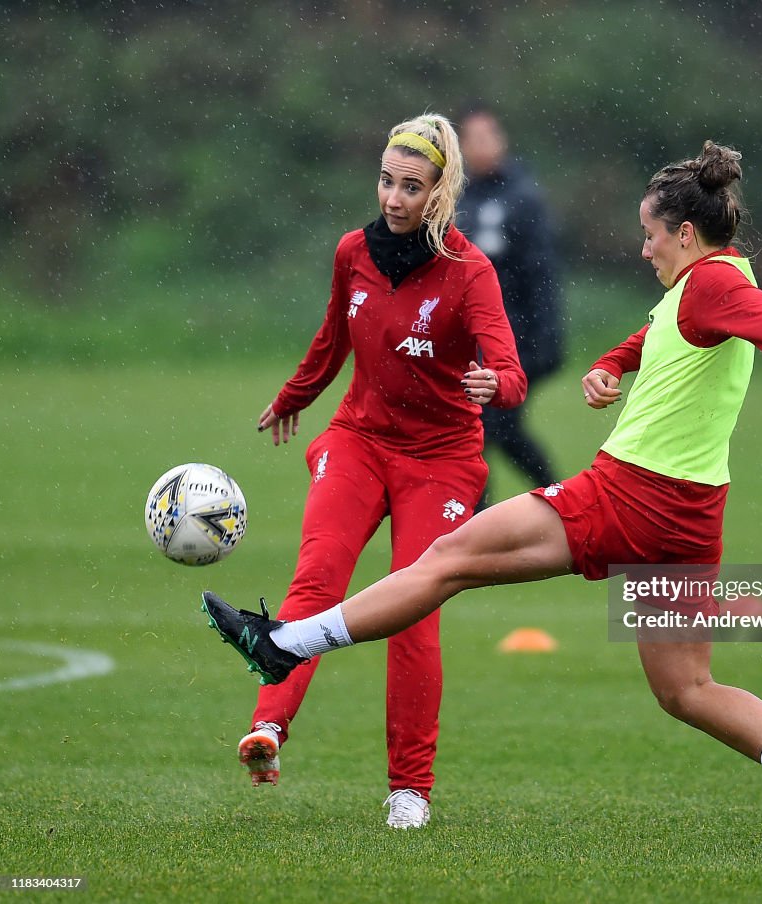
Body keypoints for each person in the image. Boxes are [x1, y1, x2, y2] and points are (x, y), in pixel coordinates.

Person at [203, 141, 762, 850]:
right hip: (692, 516)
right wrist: (611, 364)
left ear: (686, 236)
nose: (644, 250)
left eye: (650, 236)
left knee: (448, 558)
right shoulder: (699, 290)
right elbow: (658, 336)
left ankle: (285, 646)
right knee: (686, 690)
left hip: (630, 497)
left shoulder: (717, 286)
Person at [235, 112, 526, 829]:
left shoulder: (469, 271)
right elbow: (331, 340)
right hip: (359, 439)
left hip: (442, 460)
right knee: (318, 576)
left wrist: (499, 388)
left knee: (414, 620)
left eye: (412, 186)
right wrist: (291, 398)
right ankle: (268, 729)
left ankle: (409, 790)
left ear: (441, 191)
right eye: (386, 182)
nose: (394, 198)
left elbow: (510, 372)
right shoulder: (351, 253)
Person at [456, 106, 564, 505]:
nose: (482, 146)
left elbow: (542, 274)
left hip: (516, 338)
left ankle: (550, 496)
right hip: (468, 341)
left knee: (489, 428)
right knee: (487, 429)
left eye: (489, 136)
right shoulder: (455, 198)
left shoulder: (524, 198)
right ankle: (554, 496)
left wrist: (547, 339)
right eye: (473, 138)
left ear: (502, 141)